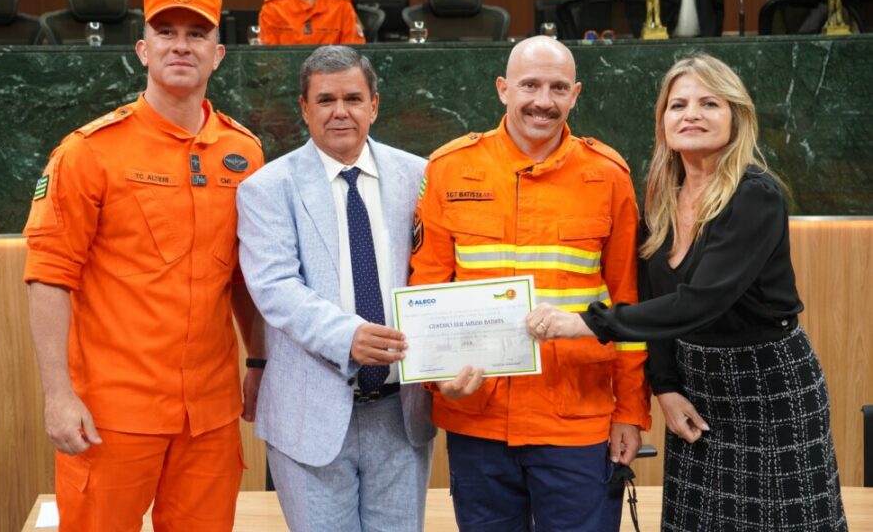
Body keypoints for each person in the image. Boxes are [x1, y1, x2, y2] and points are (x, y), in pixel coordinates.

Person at [526, 53, 847, 531]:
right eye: (678, 105)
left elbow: (699, 302)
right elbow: (656, 302)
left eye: (709, 103)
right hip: (696, 388)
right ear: (663, 122)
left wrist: (585, 322)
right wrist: (667, 386)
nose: (691, 114)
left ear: (736, 117)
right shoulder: (658, 198)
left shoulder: (755, 193)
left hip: (768, 388)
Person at [23, 0, 265, 531]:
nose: (182, 45)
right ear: (143, 48)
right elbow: (48, 276)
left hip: (209, 415)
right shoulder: (90, 152)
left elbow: (247, 279)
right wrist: (58, 396)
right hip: (112, 413)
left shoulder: (244, 152)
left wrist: (259, 361)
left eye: (198, 34)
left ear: (218, 55)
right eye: (166, 32)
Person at [409, 36, 651, 531]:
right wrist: (438, 380)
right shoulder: (448, 169)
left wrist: (630, 410)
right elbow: (425, 292)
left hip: (577, 420)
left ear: (576, 94)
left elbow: (630, 305)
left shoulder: (608, 176)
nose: (544, 100)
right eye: (530, 85)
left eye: (558, 87)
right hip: (477, 414)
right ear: (503, 89)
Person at [236, 45, 435, 531]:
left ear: (374, 105)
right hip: (310, 414)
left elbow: (436, 274)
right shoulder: (266, 188)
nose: (340, 111)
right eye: (325, 100)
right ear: (304, 108)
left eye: (352, 97)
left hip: (400, 415)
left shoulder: (421, 176)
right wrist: (348, 336)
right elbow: (275, 287)